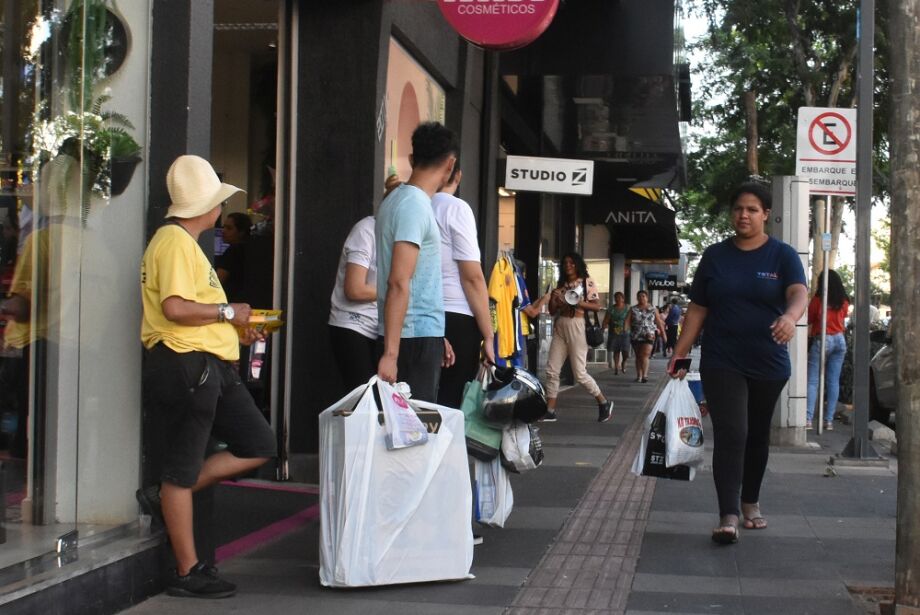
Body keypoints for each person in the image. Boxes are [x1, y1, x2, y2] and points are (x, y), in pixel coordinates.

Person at [137, 155, 277, 598]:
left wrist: (233, 324)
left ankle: (167, 498)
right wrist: (227, 313)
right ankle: (187, 570)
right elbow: (175, 308)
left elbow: (186, 308)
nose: (221, 209)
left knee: (258, 444)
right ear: (208, 205)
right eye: (218, 199)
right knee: (182, 470)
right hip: (188, 364)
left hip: (206, 364)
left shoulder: (181, 242)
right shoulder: (176, 242)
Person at [669, 182, 807, 545]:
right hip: (721, 359)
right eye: (738, 209)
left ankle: (750, 502)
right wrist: (680, 352)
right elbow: (699, 308)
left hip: (768, 361)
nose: (743, 215)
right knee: (733, 433)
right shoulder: (715, 257)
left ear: (765, 214)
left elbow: (798, 292)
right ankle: (727, 513)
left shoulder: (783, 255)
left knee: (757, 435)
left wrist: (791, 317)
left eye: (752, 209)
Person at [375, 122, 456, 402]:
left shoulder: (399, 200)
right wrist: (391, 354)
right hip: (411, 340)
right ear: (450, 164)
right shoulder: (414, 206)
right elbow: (398, 282)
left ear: (412, 159)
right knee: (413, 435)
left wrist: (437, 334)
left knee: (409, 434)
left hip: (416, 334)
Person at [327, 175, 401, 392]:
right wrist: (395, 290)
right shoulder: (366, 230)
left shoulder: (397, 237)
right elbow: (355, 288)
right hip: (352, 325)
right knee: (364, 399)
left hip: (379, 329)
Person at [431, 165, 496, 408]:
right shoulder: (456, 209)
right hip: (457, 315)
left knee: (422, 399)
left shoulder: (414, 206)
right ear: (457, 174)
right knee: (453, 401)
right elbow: (472, 278)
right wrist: (488, 335)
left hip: (419, 314)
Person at [542, 252, 614, 423]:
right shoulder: (561, 285)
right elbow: (552, 312)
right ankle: (550, 410)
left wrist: (576, 302)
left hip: (578, 325)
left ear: (577, 265)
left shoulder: (586, 282)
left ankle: (603, 402)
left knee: (579, 373)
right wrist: (553, 298)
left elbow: (597, 307)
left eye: (572, 263)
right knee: (552, 370)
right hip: (561, 325)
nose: (568, 265)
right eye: (565, 262)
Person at [806, 269, 849, 431]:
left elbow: (809, 318)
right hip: (840, 340)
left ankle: (808, 419)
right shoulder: (843, 301)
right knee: (833, 381)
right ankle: (829, 421)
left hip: (823, 338)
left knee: (813, 381)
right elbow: (843, 316)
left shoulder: (818, 300)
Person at [625, 290, 666, 383]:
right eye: (639, 296)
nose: (641, 298)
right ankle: (639, 375)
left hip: (649, 334)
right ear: (637, 298)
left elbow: (659, 322)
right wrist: (625, 331)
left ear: (647, 298)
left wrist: (663, 334)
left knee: (645, 355)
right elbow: (627, 321)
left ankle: (645, 375)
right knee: (638, 356)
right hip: (636, 335)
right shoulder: (633, 309)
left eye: (643, 296)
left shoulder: (653, 309)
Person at [215, 212, 252, 304]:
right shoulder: (251, 250)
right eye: (223, 227)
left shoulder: (233, 251)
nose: (223, 231)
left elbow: (217, 282)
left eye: (229, 228)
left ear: (241, 232)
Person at [602, 291, 631, 374]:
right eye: (616, 297)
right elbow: (606, 320)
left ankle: (624, 361)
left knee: (625, 351)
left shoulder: (628, 308)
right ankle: (616, 367)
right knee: (616, 350)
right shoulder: (611, 309)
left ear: (623, 299)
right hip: (614, 331)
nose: (618, 299)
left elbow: (632, 319)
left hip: (626, 331)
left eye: (620, 297)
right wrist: (604, 327)